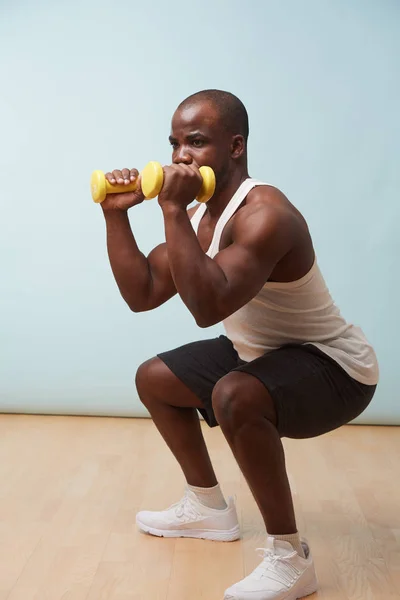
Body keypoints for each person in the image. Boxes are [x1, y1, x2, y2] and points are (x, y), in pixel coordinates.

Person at [100, 89, 379, 600]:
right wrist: (116, 214)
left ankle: (291, 558)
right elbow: (142, 292)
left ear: (235, 147)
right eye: (176, 144)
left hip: (336, 368)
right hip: (262, 352)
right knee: (155, 378)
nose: (182, 156)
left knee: (234, 393)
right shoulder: (203, 217)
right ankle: (207, 508)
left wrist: (169, 210)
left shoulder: (265, 215)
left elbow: (210, 306)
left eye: (198, 142)